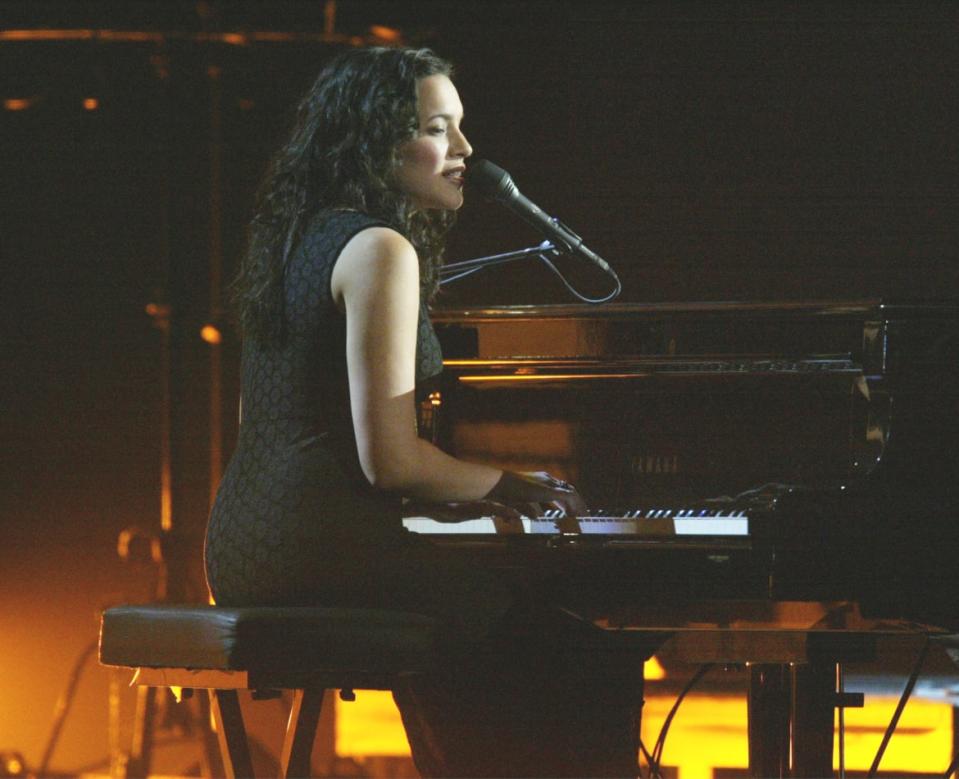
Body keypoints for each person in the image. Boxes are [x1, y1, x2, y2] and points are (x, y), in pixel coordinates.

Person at [204, 46, 645, 777]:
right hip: (325, 547)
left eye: (460, 128)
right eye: (438, 129)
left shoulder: (292, 240)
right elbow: (392, 462)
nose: (464, 151)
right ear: (376, 141)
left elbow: (286, 424)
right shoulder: (380, 248)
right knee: (579, 654)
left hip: (247, 544)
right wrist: (510, 485)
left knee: (497, 626)